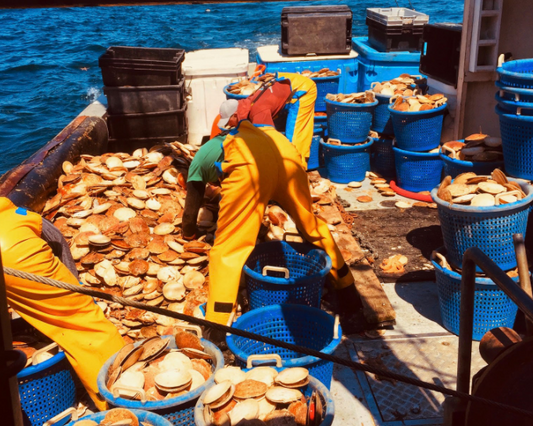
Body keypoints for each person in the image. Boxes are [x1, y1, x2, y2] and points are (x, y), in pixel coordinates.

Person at [182, 119, 360, 327]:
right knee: (312, 227)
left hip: (251, 167)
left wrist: (189, 234)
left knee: (228, 249)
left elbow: (191, 208)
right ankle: (351, 299)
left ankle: (218, 326)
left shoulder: (200, 159)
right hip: (287, 155)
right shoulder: (254, 133)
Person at [0, 197, 124, 410]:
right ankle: (115, 396)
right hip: (18, 259)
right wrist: (75, 288)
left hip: (7, 271)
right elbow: (59, 245)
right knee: (84, 321)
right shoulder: (22, 214)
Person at [212, 72, 317, 169]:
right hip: (287, 85)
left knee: (295, 138)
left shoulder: (258, 113)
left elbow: (271, 140)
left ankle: (297, 169)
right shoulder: (245, 104)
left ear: (235, 115)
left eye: (228, 122)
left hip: (302, 89)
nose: (229, 126)